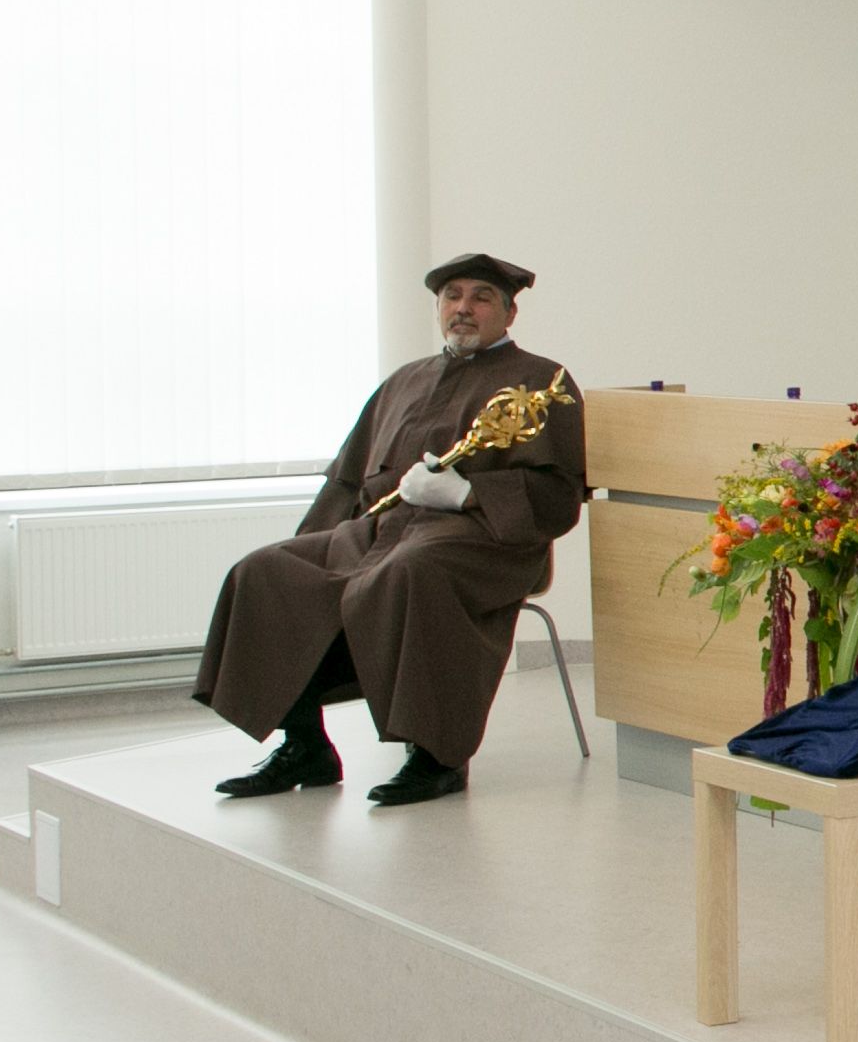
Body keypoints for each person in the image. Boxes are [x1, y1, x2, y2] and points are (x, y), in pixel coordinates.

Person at [194, 253, 588, 807]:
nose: (464, 309)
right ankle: (304, 745)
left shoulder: (541, 381)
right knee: (268, 571)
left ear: (509, 313)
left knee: (409, 572)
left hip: (479, 538)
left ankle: (437, 758)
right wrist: (314, 545)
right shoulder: (404, 381)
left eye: (481, 298)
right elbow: (346, 480)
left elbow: (558, 494)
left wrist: (466, 493)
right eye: (452, 297)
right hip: (379, 534)